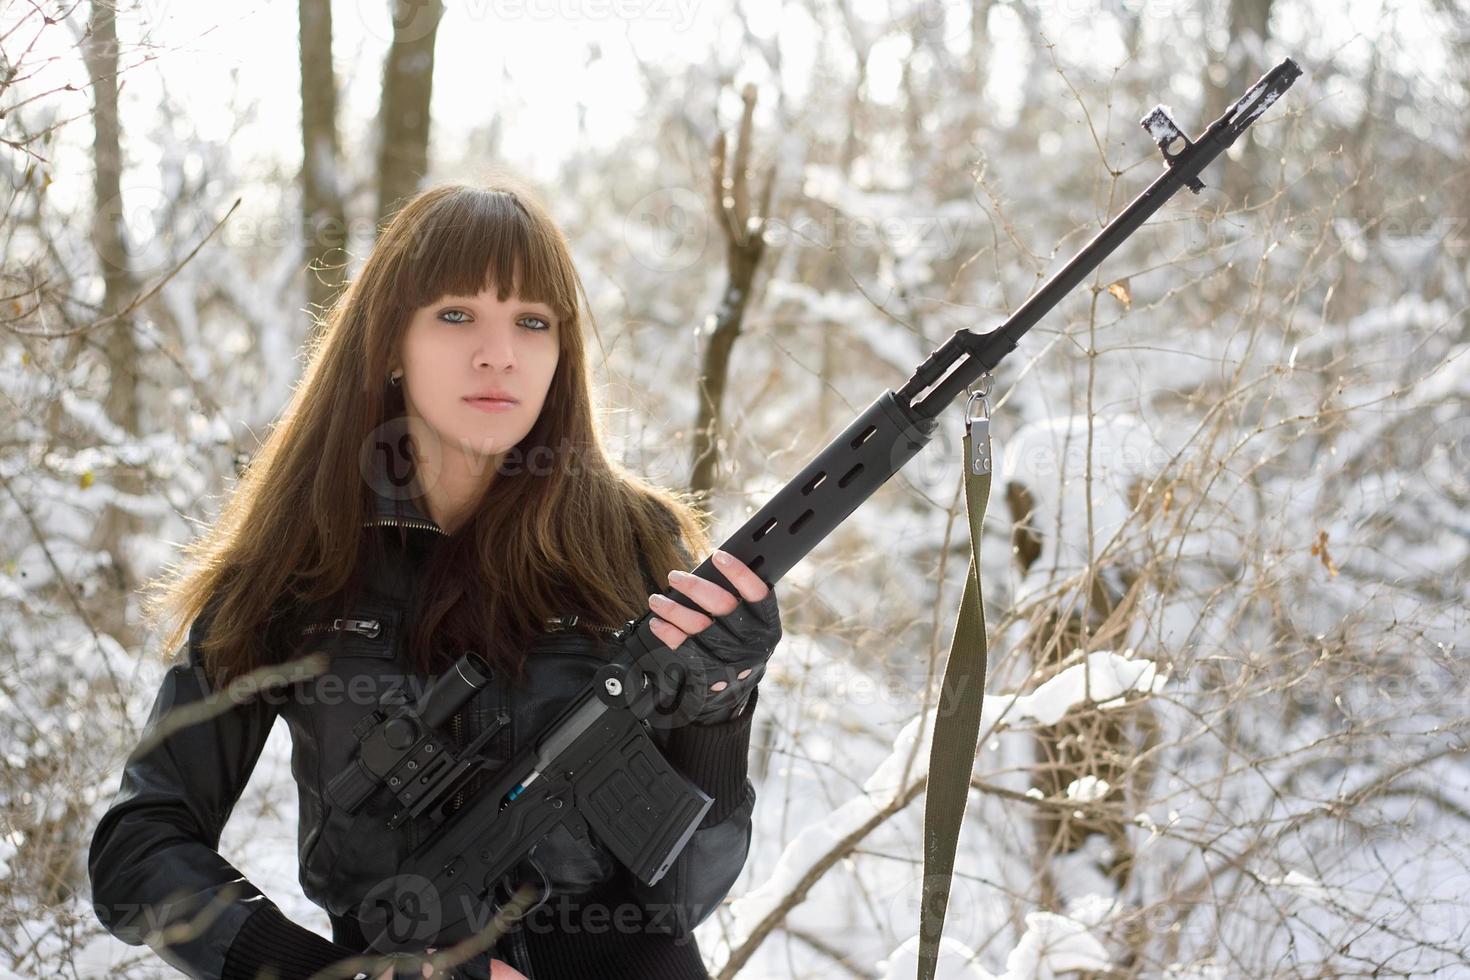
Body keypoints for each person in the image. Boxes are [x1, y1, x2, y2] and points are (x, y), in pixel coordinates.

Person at [88, 178, 782, 980]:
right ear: (388, 342)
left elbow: (686, 895)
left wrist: (722, 706)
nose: (499, 353)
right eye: (456, 315)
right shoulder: (298, 565)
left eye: (532, 321)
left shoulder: (632, 541)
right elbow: (140, 847)